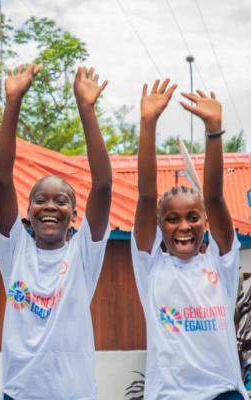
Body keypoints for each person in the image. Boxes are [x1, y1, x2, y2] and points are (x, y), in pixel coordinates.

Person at [0, 65, 112, 399]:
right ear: (27, 212)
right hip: (20, 393)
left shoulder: (83, 253)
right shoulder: (14, 250)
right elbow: (1, 179)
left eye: (61, 201)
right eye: (39, 200)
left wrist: (86, 109)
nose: (49, 206)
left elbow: (103, 184)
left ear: (74, 215)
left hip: (75, 393)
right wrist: (13, 101)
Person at [132, 79, 248, 400]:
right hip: (170, 395)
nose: (184, 226)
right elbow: (145, 197)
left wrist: (214, 130)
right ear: (159, 226)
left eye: (192, 217)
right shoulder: (150, 266)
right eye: (172, 219)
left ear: (205, 222)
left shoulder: (220, 262)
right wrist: (147, 125)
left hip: (223, 393)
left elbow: (213, 197)